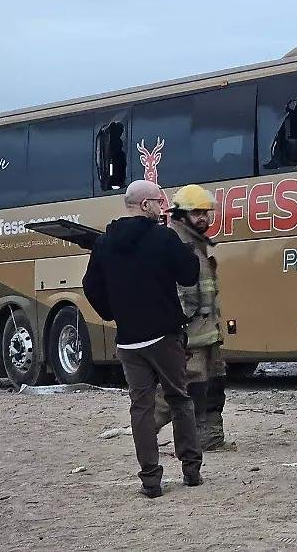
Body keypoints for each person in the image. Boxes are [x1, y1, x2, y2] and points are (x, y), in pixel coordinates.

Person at [83, 180, 203, 499]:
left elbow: (90, 286)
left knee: (141, 408)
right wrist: (184, 245)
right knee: (179, 398)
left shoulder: (105, 243)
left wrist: (113, 313)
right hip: (164, 335)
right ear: (145, 204)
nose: (162, 207)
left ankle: (150, 480)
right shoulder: (162, 237)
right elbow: (189, 274)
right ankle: (191, 471)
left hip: (129, 341)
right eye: (159, 202)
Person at [150, 185, 231, 450]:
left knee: (213, 387)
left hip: (206, 334)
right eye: (197, 212)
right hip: (190, 337)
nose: (204, 218)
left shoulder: (196, 243)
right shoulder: (177, 242)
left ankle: (210, 441)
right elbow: (184, 296)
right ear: (181, 214)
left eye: (207, 213)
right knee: (185, 391)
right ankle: (145, 429)